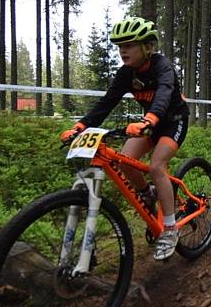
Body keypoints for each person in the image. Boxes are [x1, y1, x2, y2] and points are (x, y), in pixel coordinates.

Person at [60, 16, 189, 261]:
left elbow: (164, 94)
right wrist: (80, 126)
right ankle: (148, 193)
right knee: (124, 159)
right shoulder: (125, 74)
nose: (122, 50)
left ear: (147, 47)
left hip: (173, 120)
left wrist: (149, 119)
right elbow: (106, 103)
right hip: (149, 122)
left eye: (129, 45)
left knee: (156, 166)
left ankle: (171, 229)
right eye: (120, 46)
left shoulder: (163, 67)